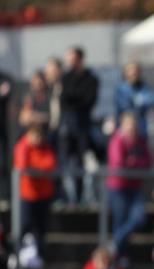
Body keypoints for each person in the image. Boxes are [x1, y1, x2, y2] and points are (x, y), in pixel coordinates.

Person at [107, 112, 152, 257]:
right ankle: (121, 256)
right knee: (120, 221)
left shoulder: (141, 141)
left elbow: (148, 162)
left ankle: (115, 241)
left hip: (134, 187)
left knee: (139, 218)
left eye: (133, 127)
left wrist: (132, 162)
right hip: (118, 188)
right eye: (128, 127)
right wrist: (134, 163)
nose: (131, 130)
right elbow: (119, 164)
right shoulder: (117, 140)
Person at [59, 46, 98, 205]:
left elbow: (88, 101)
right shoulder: (66, 77)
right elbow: (64, 99)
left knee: (85, 163)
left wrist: (73, 99)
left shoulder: (91, 78)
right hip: (68, 127)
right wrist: (76, 98)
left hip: (83, 128)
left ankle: (85, 198)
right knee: (67, 163)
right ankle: (70, 198)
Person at [14, 124, 57, 265]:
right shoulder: (23, 147)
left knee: (41, 228)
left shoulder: (46, 148)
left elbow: (51, 164)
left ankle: (39, 256)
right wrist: (40, 172)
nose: (38, 139)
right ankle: (16, 254)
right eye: (35, 136)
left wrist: (36, 170)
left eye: (40, 136)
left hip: (43, 195)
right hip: (28, 195)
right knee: (25, 225)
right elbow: (23, 167)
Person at [115, 61, 154, 138]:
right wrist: (139, 100)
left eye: (135, 71)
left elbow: (151, 100)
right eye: (130, 71)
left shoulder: (145, 87)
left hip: (142, 129)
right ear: (126, 73)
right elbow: (124, 105)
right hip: (126, 130)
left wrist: (135, 100)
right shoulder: (121, 89)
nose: (133, 74)